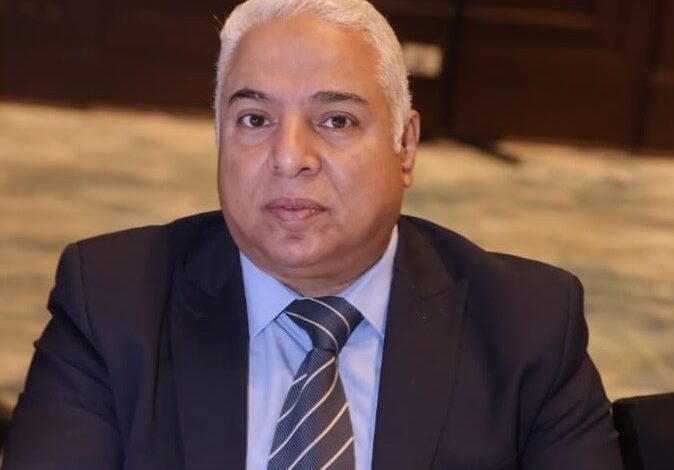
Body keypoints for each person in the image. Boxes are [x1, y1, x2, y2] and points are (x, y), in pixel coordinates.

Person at [3, 0, 624, 469]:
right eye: (255, 119)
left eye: (336, 120)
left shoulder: (527, 326)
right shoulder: (110, 302)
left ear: (405, 145)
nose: (289, 156)